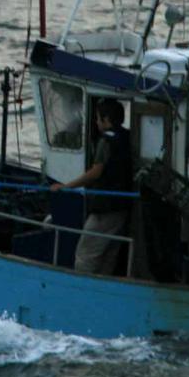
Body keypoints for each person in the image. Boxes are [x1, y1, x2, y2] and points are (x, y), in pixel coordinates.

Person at [51, 98, 133, 274]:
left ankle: (81, 293)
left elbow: (96, 172)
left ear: (107, 120)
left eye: (97, 118)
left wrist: (66, 187)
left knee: (85, 255)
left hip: (105, 209)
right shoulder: (127, 137)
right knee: (109, 254)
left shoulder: (106, 141)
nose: (96, 122)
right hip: (122, 208)